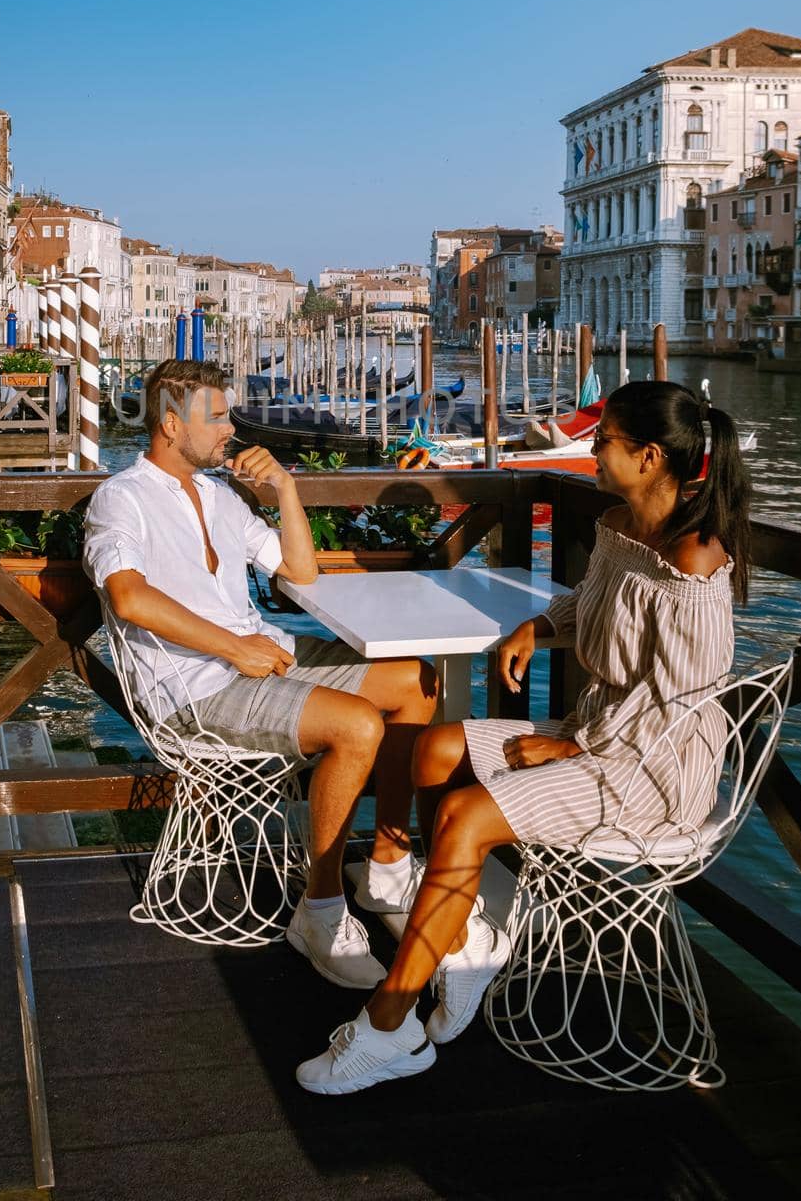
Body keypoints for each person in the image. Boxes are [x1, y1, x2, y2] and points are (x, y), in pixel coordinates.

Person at [297, 379, 751, 1093]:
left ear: (650, 456)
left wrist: (576, 748)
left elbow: (690, 703)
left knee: (463, 816)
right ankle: (461, 933)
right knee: (433, 749)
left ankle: (390, 1025)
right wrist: (538, 628)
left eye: (604, 440)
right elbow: (589, 604)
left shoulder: (693, 561)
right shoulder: (619, 525)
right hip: (597, 732)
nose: (592, 449)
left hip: (654, 769)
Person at [83, 358, 438, 989]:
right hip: (194, 692)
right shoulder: (122, 497)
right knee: (357, 727)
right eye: (216, 417)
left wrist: (287, 490)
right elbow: (129, 597)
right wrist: (233, 647)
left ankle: (384, 864)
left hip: (263, 662)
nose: (231, 429)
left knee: (415, 682)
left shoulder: (221, 495)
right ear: (170, 423)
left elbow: (300, 574)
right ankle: (321, 911)